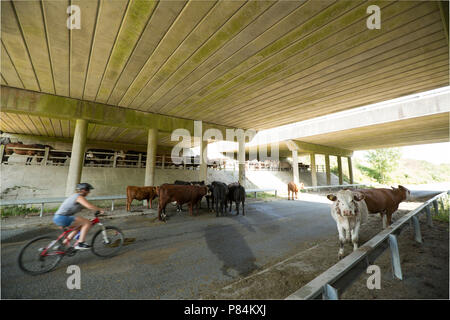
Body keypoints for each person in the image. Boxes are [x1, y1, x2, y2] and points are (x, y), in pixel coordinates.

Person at [53, 183, 105, 250]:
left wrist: (95, 210)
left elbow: (87, 207)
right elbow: (89, 206)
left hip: (58, 218)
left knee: (78, 228)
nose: (89, 192)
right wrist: (100, 210)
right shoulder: (79, 197)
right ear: (83, 190)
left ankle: (63, 245)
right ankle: (81, 243)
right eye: (88, 190)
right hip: (63, 217)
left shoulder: (75, 196)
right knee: (87, 222)